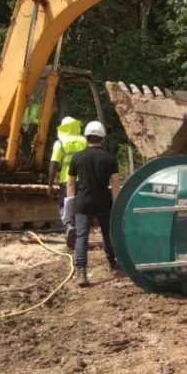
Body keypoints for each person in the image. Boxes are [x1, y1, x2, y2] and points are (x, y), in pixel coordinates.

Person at [67, 121, 120, 287]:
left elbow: (70, 184)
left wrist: (70, 207)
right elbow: (116, 185)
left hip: (83, 202)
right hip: (103, 201)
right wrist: (116, 203)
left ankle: (81, 272)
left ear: (86, 137)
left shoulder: (77, 157)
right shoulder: (110, 159)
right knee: (108, 233)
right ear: (102, 138)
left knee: (81, 236)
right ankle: (112, 262)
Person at [48, 117, 87, 248]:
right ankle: (80, 233)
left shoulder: (60, 143)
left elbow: (54, 165)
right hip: (84, 179)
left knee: (65, 205)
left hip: (66, 180)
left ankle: (69, 225)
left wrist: (50, 184)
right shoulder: (84, 141)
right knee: (81, 207)